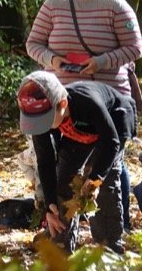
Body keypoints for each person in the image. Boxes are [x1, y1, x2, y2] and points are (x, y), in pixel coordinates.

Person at [25, 0, 142, 230]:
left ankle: (113, 233)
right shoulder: (54, 3)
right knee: (62, 170)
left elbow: (134, 48)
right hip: (59, 104)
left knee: (108, 167)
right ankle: (62, 230)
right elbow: (33, 44)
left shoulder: (115, 5)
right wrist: (53, 60)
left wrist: (100, 62)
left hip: (106, 99)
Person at [18, 70, 135, 254]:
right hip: (78, 133)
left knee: (105, 185)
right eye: (37, 121)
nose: (41, 126)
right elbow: (45, 161)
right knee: (64, 180)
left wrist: (95, 178)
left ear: (62, 104)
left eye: (45, 120)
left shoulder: (87, 102)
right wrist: (50, 205)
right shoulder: (41, 122)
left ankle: (109, 247)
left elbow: (111, 143)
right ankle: (61, 248)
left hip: (114, 125)